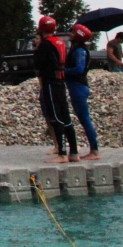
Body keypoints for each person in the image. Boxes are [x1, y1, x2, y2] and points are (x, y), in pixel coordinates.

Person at [34, 14, 79, 163]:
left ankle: (62, 153)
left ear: (41, 28)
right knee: (66, 117)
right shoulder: (61, 42)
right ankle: (74, 152)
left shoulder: (45, 45)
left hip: (50, 83)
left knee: (55, 118)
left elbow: (38, 64)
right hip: (61, 82)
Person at [66, 23, 102, 160]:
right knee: (83, 118)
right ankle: (94, 149)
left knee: (85, 118)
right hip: (76, 87)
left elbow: (79, 69)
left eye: (73, 32)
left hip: (78, 87)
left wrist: (63, 71)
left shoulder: (79, 51)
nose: (70, 34)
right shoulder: (77, 49)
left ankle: (94, 151)